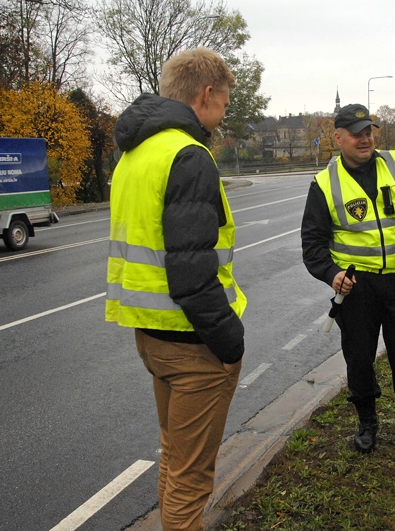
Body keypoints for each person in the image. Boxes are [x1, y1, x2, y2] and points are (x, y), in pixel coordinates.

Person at [105, 48, 246, 531]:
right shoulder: (189, 155)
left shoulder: (135, 153)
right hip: (194, 345)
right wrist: (230, 343)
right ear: (206, 94)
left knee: (173, 458)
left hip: (152, 335)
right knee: (191, 482)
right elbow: (192, 273)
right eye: (225, 104)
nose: (222, 115)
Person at [301, 103, 395, 459]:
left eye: (369, 131)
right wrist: (332, 275)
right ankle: (367, 422)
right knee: (359, 359)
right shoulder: (324, 184)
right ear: (338, 138)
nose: (365, 139)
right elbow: (313, 245)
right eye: (356, 133)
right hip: (356, 288)